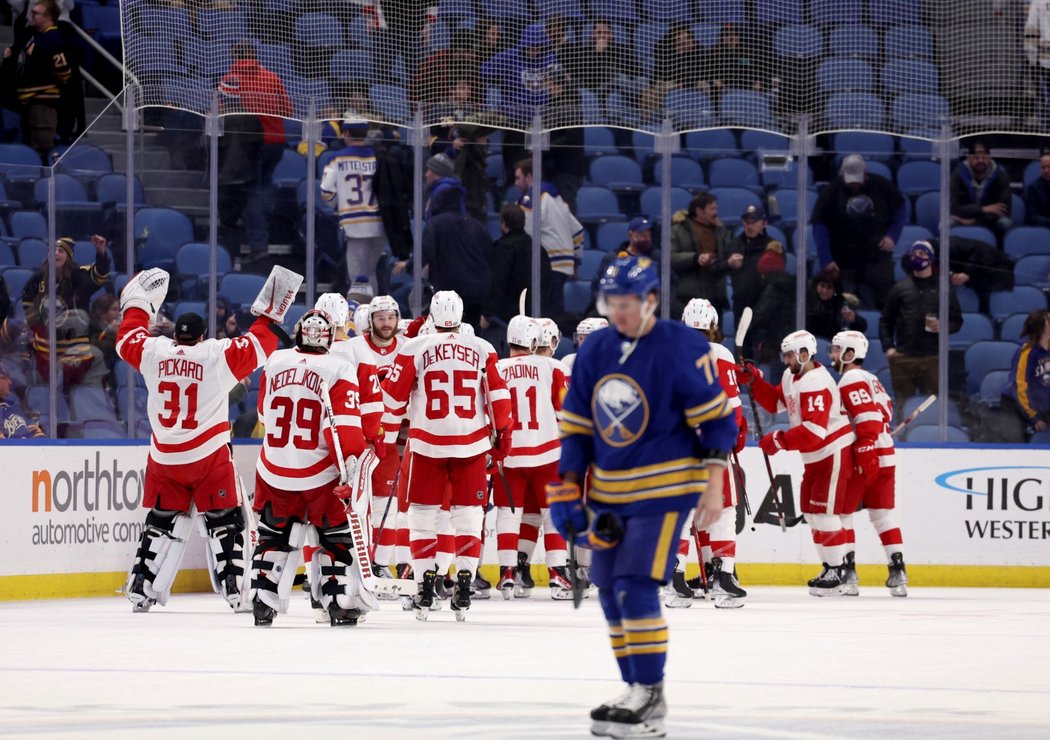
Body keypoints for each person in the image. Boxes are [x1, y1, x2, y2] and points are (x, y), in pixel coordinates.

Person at [548, 255, 735, 737]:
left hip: (667, 489)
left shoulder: (682, 346)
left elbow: (718, 420)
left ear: (651, 300)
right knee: (608, 587)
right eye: (611, 302)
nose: (619, 312)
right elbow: (577, 428)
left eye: (627, 303)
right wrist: (567, 489)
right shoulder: (595, 351)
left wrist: (713, 482)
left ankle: (650, 693)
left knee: (635, 584)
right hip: (611, 492)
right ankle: (635, 686)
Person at [116, 265, 299, 614]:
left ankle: (141, 586)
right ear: (201, 337)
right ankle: (235, 588)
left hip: (165, 457)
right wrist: (270, 313)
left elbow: (126, 338)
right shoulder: (215, 355)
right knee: (225, 522)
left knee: (161, 520)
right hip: (207, 456)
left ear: (175, 337)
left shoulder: (155, 352)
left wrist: (138, 303)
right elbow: (260, 343)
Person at [382, 291, 513, 621]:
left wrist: (381, 437)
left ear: (431, 316)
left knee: (422, 517)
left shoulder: (413, 348)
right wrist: (503, 441)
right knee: (469, 515)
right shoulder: (484, 349)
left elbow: (392, 402)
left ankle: (425, 583)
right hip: (471, 444)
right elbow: (499, 399)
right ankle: (465, 580)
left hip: (427, 444)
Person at [250, 309, 371, 627]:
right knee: (335, 537)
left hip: (274, 467)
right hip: (319, 474)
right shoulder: (339, 367)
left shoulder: (275, 361)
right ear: (329, 337)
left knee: (273, 534)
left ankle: (262, 599)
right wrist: (352, 471)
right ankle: (337, 601)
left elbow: (263, 414)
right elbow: (345, 431)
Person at [738, 330, 857, 597]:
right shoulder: (792, 375)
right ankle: (830, 568)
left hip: (832, 452)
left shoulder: (816, 381)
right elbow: (777, 403)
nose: (786, 359)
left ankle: (841, 572)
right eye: (786, 354)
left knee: (825, 515)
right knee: (813, 514)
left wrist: (779, 440)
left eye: (791, 355)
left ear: (805, 354)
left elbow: (815, 431)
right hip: (815, 456)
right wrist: (755, 382)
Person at [668, 298, 748, 609]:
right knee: (724, 510)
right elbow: (733, 408)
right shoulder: (721, 354)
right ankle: (723, 578)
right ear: (713, 326)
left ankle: (675, 578)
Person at [492, 315, 571, 599]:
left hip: (509, 454)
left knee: (508, 514)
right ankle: (557, 573)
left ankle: (507, 573)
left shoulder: (497, 368)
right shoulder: (555, 367)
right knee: (553, 514)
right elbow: (566, 413)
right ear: (535, 341)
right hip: (547, 451)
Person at [829, 330, 908, 597]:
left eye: (837, 349)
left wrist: (865, 447)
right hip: (886, 453)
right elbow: (884, 412)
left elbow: (866, 416)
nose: (832, 354)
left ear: (850, 354)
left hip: (864, 455)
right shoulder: (873, 379)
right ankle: (898, 572)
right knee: (883, 514)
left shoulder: (850, 378)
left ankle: (848, 575)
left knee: (842, 514)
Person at [218, 40, 292, 258]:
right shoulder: (272, 77)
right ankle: (264, 232)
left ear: (235, 56)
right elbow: (287, 109)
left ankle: (259, 244)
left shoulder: (230, 80)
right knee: (262, 188)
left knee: (251, 193)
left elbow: (222, 114)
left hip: (247, 145)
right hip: (276, 143)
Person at [812, 154, 907, 310]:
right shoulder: (830, 192)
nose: (854, 185)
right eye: (850, 181)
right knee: (844, 306)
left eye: (857, 180)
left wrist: (892, 236)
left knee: (884, 304)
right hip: (844, 262)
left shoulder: (882, 185)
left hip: (878, 260)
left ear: (865, 173)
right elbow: (820, 226)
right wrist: (826, 259)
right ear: (842, 174)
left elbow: (900, 209)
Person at [879, 241, 962, 409]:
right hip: (903, 357)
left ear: (930, 259)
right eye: (914, 254)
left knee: (933, 406)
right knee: (903, 406)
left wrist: (943, 326)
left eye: (922, 254)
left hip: (932, 358)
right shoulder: (900, 288)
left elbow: (957, 320)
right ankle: (902, 436)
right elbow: (886, 320)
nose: (917, 257)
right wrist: (888, 347)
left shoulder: (943, 287)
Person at [21, 235, 111, 388]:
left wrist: (101, 252)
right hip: (46, 349)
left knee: (76, 393)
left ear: (68, 257)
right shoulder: (37, 278)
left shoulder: (79, 276)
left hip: (75, 349)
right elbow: (28, 308)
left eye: (61, 251)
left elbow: (99, 275)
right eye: (53, 250)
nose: (56, 253)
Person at [320, 117, 388, 292]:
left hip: (354, 222)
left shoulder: (336, 158)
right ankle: (374, 313)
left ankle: (362, 316)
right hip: (379, 221)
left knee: (358, 278)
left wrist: (339, 207)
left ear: (346, 133)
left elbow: (326, 192)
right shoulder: (378, 157)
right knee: (371, 272)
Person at [420, 171, 492, 330]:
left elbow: (425, 252)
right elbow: (490, 257)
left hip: (450, 291)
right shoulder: (477, 225)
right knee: (472, 333)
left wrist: (410, 266)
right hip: (477, 291)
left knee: (445, 333)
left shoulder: (436, 224)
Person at [515, 158, 584, 317]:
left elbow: (525, 233)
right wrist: (576, 261)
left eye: (518, 178)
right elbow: (578, 231)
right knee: (556, 315)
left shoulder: (532, 199)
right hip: (564, 264)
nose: (515, 183)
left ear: (529, 176)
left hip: (547, 265)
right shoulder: (557, 198)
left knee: (546, 316)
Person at [6, 0, 69, 161]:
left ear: (47, 17)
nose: (31, 16)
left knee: (42, 147)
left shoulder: (53, 38)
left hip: (43, 103)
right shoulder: (36, 37)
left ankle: (45, 183)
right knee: (30, 145)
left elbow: (64, 71)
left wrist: (46, 89)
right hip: (29, 101)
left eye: (35, 13)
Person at [484, 203, 554, 326]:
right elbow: (547, 282)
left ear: (504, 224)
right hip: (536, 313)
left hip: (508, 317)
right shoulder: (538, 248)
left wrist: (487, 313)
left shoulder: (502, 248)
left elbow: (498, 282)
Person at [670, 192, 735, 318]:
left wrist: (729, 262)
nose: (715, 212)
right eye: (712, 209)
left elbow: (724, 258)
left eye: (715, 208)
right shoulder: (678, 230)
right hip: (689, 298)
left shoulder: (721, 231)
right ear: (699, 211)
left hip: (716, 297)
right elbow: (670, 257)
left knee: (713, 337)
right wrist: (695, 258)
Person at [216, 94, 263, 259]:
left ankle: (229, 256)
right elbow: (259, 146)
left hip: (225, 177)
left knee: (228, 222)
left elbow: (206, 147)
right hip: (247, 176)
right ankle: (259, 249)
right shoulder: (251, 118)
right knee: (252, 212)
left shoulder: (219, 118)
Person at [1000, 309, 1050, 442]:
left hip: (1040, 404)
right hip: (1017, 407)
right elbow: (1019, 387)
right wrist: (1033, 417)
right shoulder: (1027, 352)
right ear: (1041, 327)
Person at [950, 140, 1013, 241]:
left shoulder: (1001, 176)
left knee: (1006, 223)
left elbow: (1005, 209)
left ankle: (999, 254)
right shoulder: (957, 175)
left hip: (987, 220)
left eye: (984, 157)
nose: (980, 161)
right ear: (968, 158)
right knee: (947, 224)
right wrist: (983, 209)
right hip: (963, 220)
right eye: (976, 157)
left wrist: (975, 220)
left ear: (990, 158)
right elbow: (953, 208)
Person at [728, 204, 774, 335]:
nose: (749, 226)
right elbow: (718, 269)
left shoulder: (772, 247)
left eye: (754, 222)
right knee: (742, 349)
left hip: (764, 306)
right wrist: (728, 263)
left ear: (764, 223)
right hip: (741, 304)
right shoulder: (734, 245)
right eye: (747, 222)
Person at [591, 217, 656, 301]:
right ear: (630, 235)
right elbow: (599, 285)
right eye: (643, 235)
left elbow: (669, 284)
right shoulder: (614, 258)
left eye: (649, 235)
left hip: (651, 305)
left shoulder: (655, 257)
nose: (647, 239)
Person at [806, 268, 868, 341]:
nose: (824, 290)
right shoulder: (808, 300)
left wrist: (854, 319)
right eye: (822, 286)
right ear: (817, 285)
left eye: (829, 287)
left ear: (835, 290)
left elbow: (862, 327)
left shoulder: (841, 302)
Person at [0, 361, 45, 438]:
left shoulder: (12, 408)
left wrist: (38, 437)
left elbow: (34, 433)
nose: (9, 382)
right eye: (5, 377)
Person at [87, 293, 120, 371]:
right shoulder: (92, 331)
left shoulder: (116, 328)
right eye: (114, 310)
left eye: (119, 310)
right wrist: (115, 334)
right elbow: (103, 351)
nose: (118, 314)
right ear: (102, 314)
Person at [1023, 152, 1050, 226]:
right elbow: (1032, 217)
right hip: (1044, 228)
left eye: (1049, 167)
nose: (1046, 170)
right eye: (1043, 167)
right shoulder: (1033, 188)